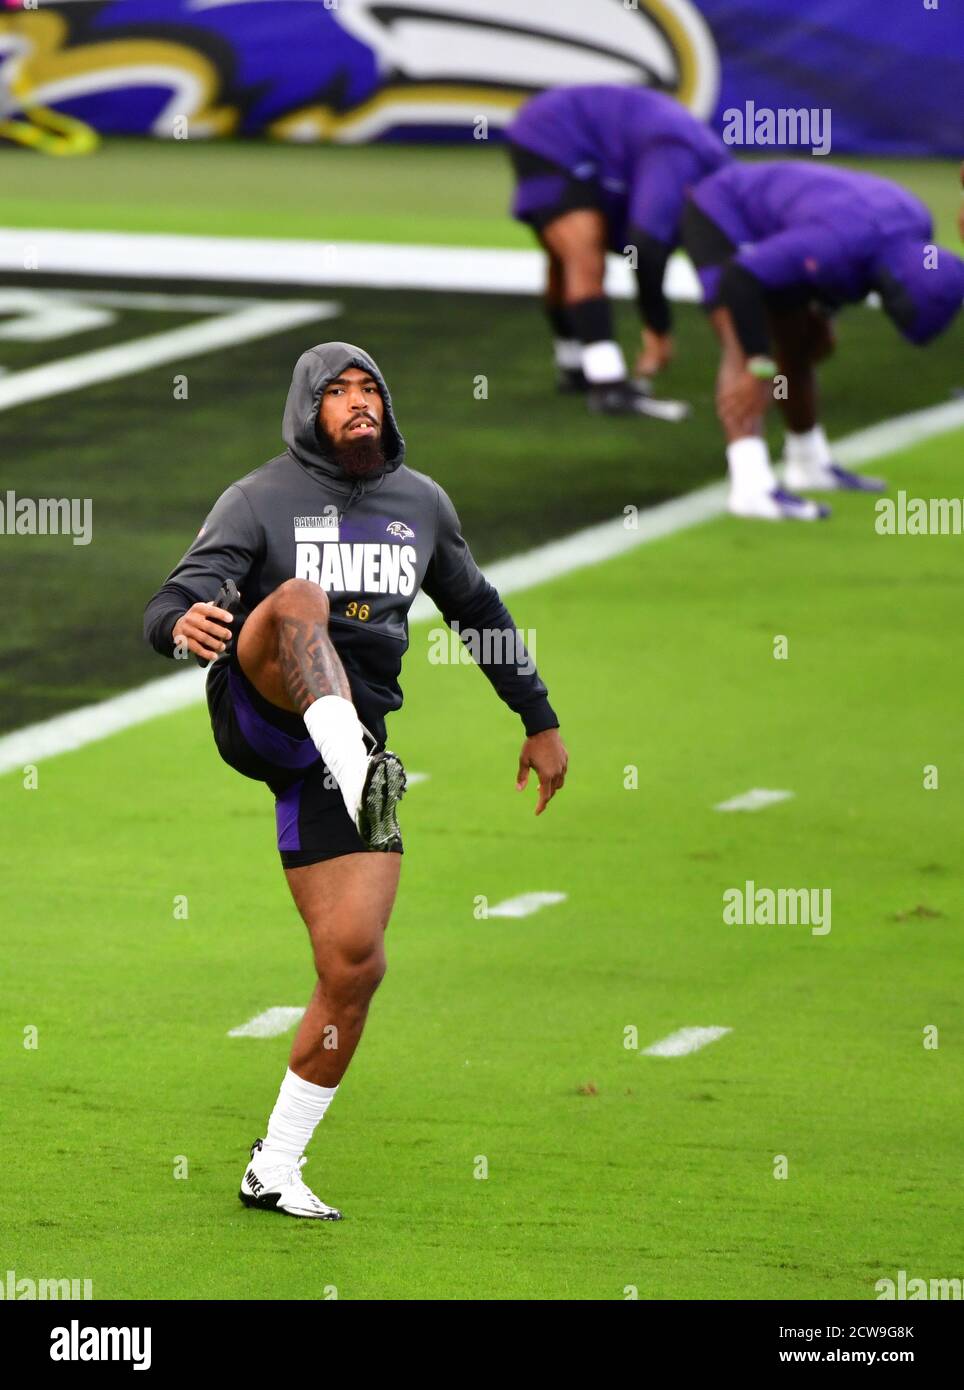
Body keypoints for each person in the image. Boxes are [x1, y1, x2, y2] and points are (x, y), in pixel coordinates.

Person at [144, 342, 568, 1218]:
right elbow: (172, 599)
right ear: (307, 412)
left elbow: (476, 608)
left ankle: (277, 1165)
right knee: (299, 598)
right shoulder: (259, 497)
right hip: (264, 711)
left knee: (355, 964)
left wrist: (538, 717)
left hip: (354, 736)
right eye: (336, 393)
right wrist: (182, 623)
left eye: (369, 388)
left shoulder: (422, 503)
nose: (356, 403)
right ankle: (357, 768)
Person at [682, 162, 964, 521]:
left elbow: (857, 261)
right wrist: (758, 363)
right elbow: (740, 280)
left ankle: (807, 462)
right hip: (724, 211)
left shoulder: (912, 229)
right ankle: (749, 485)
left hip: (796, 227)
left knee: (801, 341)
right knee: (743, 341)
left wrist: (825, 312)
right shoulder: (839, 243)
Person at [505, 84, 729, 413]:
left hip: (575, 134)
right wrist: (658, 328)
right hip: (551, 132)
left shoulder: (703, 167)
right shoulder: (682, 155)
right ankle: (607, 385)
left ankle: (573, 365)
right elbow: (647, 246)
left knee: (563, 257)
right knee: (584, 252)